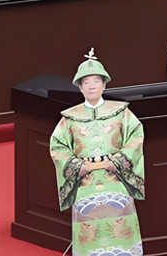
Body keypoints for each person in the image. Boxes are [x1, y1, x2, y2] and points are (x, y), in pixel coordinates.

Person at [49, 49, 145, 256]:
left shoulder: (122, 112)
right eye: (86, 82)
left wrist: (115, 162)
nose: (91, 86)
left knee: (122, 226)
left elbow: (136, 137)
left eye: (96, 81)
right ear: (80, 87)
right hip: (85, 183)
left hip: (116, 180)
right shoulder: (69, 118)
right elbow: (57, 147)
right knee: (88, 229)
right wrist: (80, 167)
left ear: (104, 84)